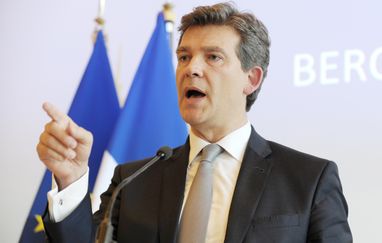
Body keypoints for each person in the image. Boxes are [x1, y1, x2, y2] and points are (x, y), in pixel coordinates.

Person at [37, 2, 352, 243]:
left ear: (251, 78)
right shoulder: (133, 181)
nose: (191, 69)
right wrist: (71, 179)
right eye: (184, 57)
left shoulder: (308, 180)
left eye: (213, 57)